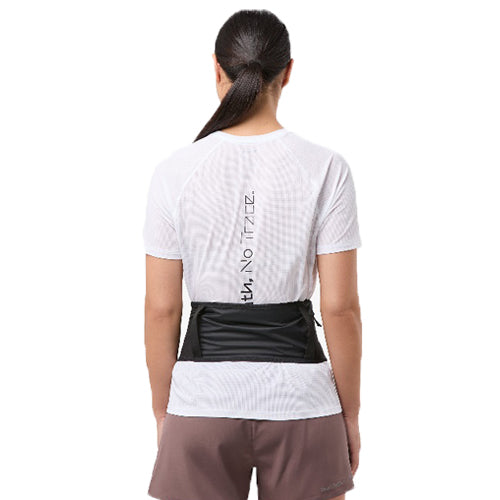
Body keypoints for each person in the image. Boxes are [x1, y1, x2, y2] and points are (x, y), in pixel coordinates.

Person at [143, 8, 362, 500]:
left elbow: (161, 310)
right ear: (288, 72)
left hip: (200, 404)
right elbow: (340, 309)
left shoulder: (174, 172)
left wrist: (164, 411)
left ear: (216, 69)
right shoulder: (327, 168)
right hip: (304, 405)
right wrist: (349, 416)